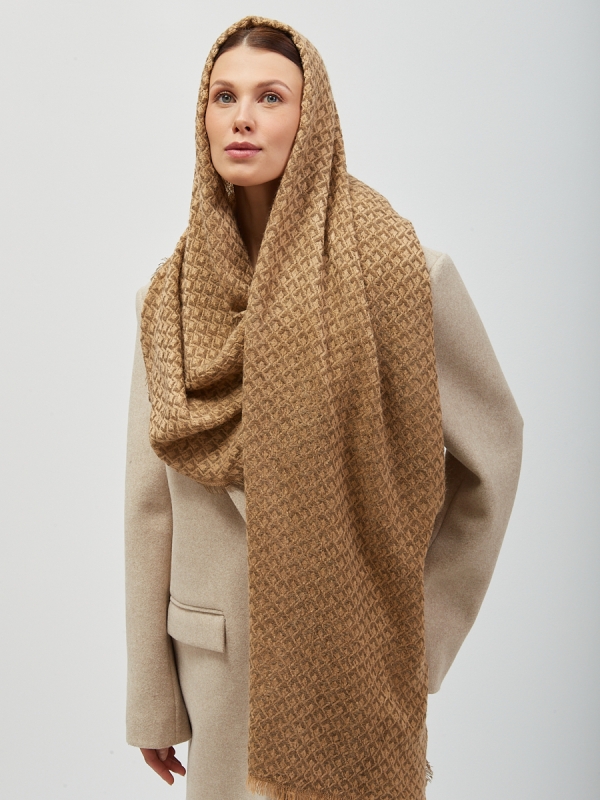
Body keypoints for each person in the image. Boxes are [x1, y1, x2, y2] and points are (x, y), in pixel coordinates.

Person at [124, 16, 523, 800]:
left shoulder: (406, 279)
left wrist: (419, 636)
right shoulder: (168, 303)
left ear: (313, 119)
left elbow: (495, 454)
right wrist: (151, 698)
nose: (242, 117)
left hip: (358, 663)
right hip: (220, 671)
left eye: (270, 97)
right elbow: (149, 505)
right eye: (223, 97)